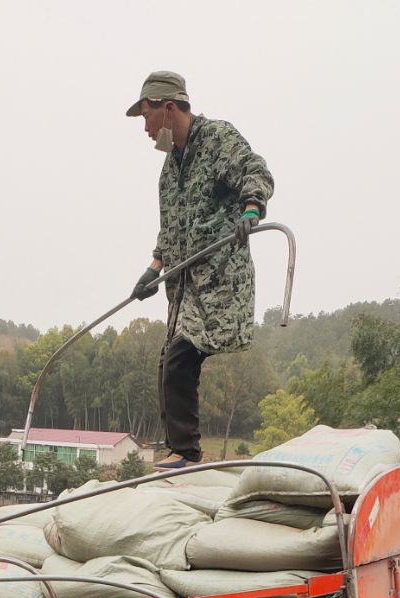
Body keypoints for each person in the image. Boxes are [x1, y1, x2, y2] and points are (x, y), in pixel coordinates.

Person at [125, 72, 274, 471]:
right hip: (184, 289)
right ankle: (178, 449)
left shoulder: (217, 140)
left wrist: (251, 208)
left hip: (219, 280)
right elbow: (170, 230)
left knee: (179, 358)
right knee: (167, 364)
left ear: (168, 109)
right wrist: (153, 268)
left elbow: (254, 170)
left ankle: (187, 453)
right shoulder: (169, 171)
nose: (145, 128)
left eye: (147, 117)